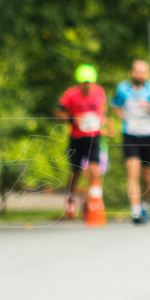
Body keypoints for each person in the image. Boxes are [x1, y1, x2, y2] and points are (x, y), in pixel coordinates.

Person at [111, 60, 150, 224]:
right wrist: (119, 114)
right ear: (131, 72)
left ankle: (144, 204)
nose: (140, 75)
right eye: (137, 71)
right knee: (132, 171)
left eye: (143, 72)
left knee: (147, 175)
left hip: (148, 134)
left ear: (147, 74)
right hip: (130, 134)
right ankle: (135, 211)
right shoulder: (122, 89)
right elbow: (115, 104)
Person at [56, 64, 107, 219]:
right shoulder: (70, 95)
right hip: (77, 137)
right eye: (84, 83)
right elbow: (59, 113)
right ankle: (70, 198)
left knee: (94, 170)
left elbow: (101, 112)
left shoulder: (99, 93)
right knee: (76, 171)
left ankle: (93, 203)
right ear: (79, 83)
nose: (87, 86)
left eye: (89, 83)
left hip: (93, 136)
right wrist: (73, 119)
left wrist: (102, 123)